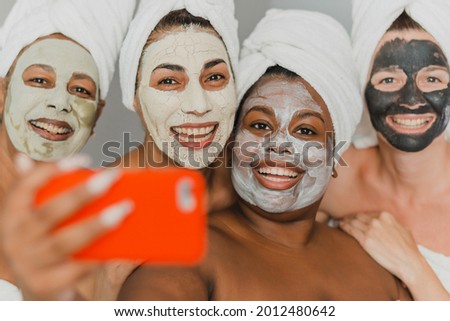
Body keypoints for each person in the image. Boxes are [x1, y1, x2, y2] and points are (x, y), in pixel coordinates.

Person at [118, 9, 411, 300]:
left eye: (306, 131)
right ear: (232, 143)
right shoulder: (186, 255)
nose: (279, 144)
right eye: (260, 124)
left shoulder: (376, 258)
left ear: (335, 156)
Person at [0, 0, 240, 300]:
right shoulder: (96, 221)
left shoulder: (257, 185)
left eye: (215, 77)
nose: (198, 105)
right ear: (135, 98)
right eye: (168, 80)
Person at [0, 0, 135, 300]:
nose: (61, 102)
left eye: (80, 90)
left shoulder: (100, 227)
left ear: (97, 116)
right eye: (39, 80)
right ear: (1, 93)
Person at [320, 0, 450, 300]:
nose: (411, 101)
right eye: (388, 79)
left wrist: (414, 269)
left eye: (432, 79)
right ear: (362, 89)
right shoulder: (333, 177)